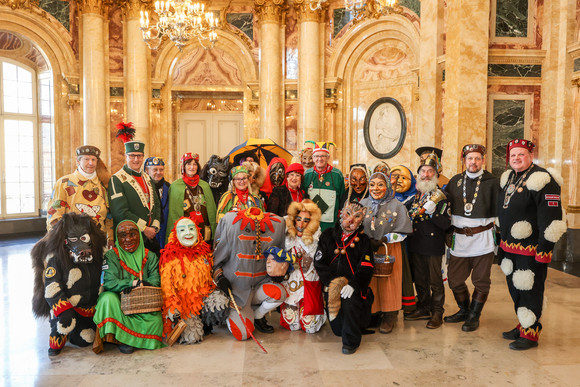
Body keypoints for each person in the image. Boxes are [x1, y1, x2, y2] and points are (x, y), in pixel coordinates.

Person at [497, 139, 566, 350]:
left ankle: (531, 334)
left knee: (530, 289)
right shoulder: (509, 177)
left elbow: (551, 219)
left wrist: (544, 249)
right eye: (513, 156)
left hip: (531, 249)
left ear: (530, 156)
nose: (516, 159)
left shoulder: (543, 179)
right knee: (515, 289)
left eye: (521, 154)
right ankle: (523, 323)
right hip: (509, 247)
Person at [443, 144, 500, 332]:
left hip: (483, 238)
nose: (473, 162)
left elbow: (501, 209)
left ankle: (474, 316)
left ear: (482, 160)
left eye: (477, 158)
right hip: (460, 239)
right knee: (454, 279)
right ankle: (464, 310)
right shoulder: (455, 181)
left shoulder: (493, 181)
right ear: (464, 161)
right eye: (470, 158)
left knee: (481, 280)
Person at [212, 207, 287, 340]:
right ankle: (233, 313)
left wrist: (279, 272)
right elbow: (216, 262)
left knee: (280, 292)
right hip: (237, 291)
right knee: (243, 334)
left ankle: (257, 315)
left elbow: (280, 256)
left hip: (259, 286)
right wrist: (221, 278)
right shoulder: (230, 223)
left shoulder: (278, 224)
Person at [93, 220, 163, 354]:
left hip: (143, 302)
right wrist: (129, 283)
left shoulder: (150, 256)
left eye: (132, 234)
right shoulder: (111, 255)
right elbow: (109, 281)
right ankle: (121, 339)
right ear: (117, 238)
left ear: (139, 235)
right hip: (119, 302)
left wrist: (143, 284)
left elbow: (156, 279)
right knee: (107, 299)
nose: (128, 239)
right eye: (123, 235)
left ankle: (134, 338)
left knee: (157, 320)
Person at [314, 202, 374, 355]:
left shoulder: (364, 240)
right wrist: (333, 283)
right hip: (332, 286)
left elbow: (366, 267)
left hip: (352, 287)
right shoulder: (327, 235)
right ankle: (351, 327)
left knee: (349, 302)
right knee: (338, 330)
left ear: (361, 220)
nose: (350, 220)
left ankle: (350, 342)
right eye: (348, 214)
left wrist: (353, 284)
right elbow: (319, 262)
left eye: (357, 216)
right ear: (341, 213)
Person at [159, 217, 228, 344]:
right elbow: (166, 288)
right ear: (175, 234)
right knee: (193, 338)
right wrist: (173, 307)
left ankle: (206, 321)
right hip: (185, 306)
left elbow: (212, 273)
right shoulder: (169, 257)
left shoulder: (204, 251)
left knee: (221, 302)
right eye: (182, 230)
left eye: (191, 229)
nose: (188, 233)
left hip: (204, 295)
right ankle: (194, 321)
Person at [360, 172, 413, 333]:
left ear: (387, 187)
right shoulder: (363, 204)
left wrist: (384, 239)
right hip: (368, 248)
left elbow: (404, 232)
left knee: (389, 283)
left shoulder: (397, 205)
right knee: (372, 282)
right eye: (372, 184)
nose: (376, 188)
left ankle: (390, 315)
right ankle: (374, 313)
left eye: (380, 184)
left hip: (390, 248)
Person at [404, 147, 451, 329]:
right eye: (423, 171)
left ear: (436, 174)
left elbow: (446, 224)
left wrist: (433, 214)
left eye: (430, 171)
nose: (426, 175)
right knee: (420, 279)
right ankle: (424, 307)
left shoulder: (442, 197)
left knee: (435, 281)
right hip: (416, 243)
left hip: (433, 245)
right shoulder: (415, 196)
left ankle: (437, 311)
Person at [108, 123, 161, 255]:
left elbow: (156, 205)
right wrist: (144, 228)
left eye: (139, 156)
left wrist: (154, 226)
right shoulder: (117, 179)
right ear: (126, 157)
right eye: (132, 156)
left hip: (150, 238)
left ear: (143, 157)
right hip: (129, 238)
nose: (136, 159)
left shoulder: (147, 178)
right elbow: (120, 212)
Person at [47, 145, 113, 246]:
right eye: (86, 159)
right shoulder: (64, 183)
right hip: (72, 242)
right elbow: (54, 215)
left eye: (93, 159)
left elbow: (109, 215)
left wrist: (111, 238)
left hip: (98, 241)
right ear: (78, 161)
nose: (90, 163)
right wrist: (60, 240)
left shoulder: (104, 184)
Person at [280, 199, 325, 333]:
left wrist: (306, 239)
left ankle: (319, 316)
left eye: (306, 220)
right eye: (298, 219)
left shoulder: (317, 235)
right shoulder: (287, 233)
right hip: (291, 280)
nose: (301, 224)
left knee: (310, 327)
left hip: (309, 281)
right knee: (292, 324)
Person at [166, 153, 216, 243]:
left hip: (203, 230)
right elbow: (173, 215)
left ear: (198, 167)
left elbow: (211, 211)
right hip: (185, 232)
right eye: (189, 164)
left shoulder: (204, 185)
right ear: (183, 167)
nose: (192, 167)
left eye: (194, 164)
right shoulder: (175, 186)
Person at [301, 142, 346, 232]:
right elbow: (303, 196)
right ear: (313, 158)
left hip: (330, 225)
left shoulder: (337, 174)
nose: (319, 159)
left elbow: (342, 198)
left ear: (328, 157)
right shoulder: (307, 174)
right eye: (317, 156)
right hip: (311, 223)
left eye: (323, 156)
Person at [144, 156, 170, 249]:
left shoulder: (169, 187)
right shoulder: (143, 188)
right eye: (155, 169)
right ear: (147, 170)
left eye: (161, 170)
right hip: (148, 234)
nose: (159, 172)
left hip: (165, 231)